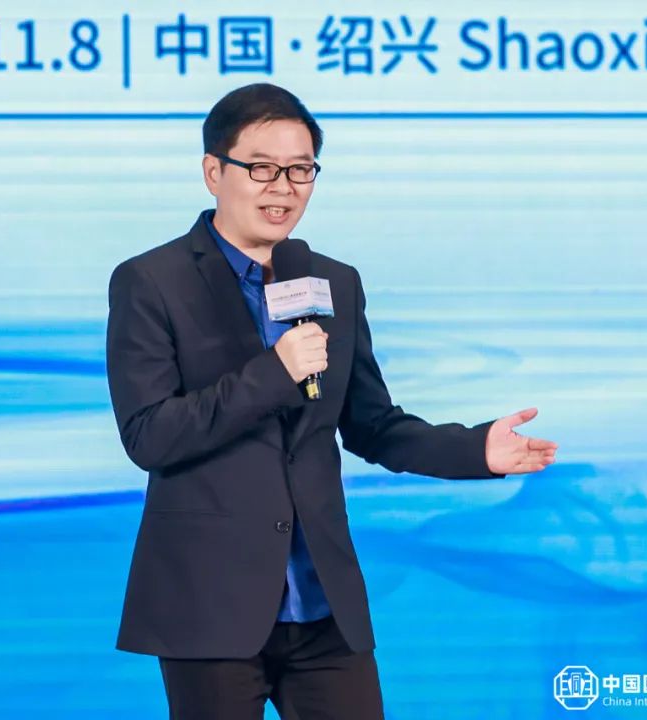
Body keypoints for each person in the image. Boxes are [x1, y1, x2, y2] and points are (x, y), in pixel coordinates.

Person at [105, 82, 558, 720]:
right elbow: (150, 434)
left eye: (300, 170)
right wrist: (274, 373)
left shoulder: (332, 282)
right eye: (262, 168)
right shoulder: (151, 281)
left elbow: (373, 425)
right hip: (210, 604)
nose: (283, 188)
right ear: (213, 172)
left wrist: (472, 450)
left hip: (322, 602)